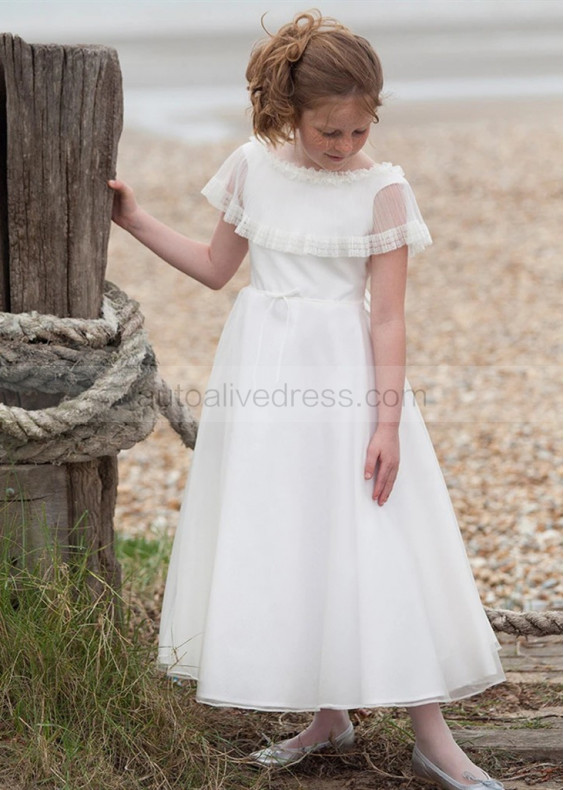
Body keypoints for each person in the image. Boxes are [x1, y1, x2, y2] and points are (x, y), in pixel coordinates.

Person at [108, 10, 507, 789]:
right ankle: (328, 716)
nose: (345, 146)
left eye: (359, 131)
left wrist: (388, 423)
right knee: (292, 532)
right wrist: (134, 219)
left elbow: (388, 315)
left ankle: (434, 738)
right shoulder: (253, 166)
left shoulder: (384, 190)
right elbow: (218, 266)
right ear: (290, 113)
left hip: (348, 384)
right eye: (330, 132)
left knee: (373, 533)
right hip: (261, 375)